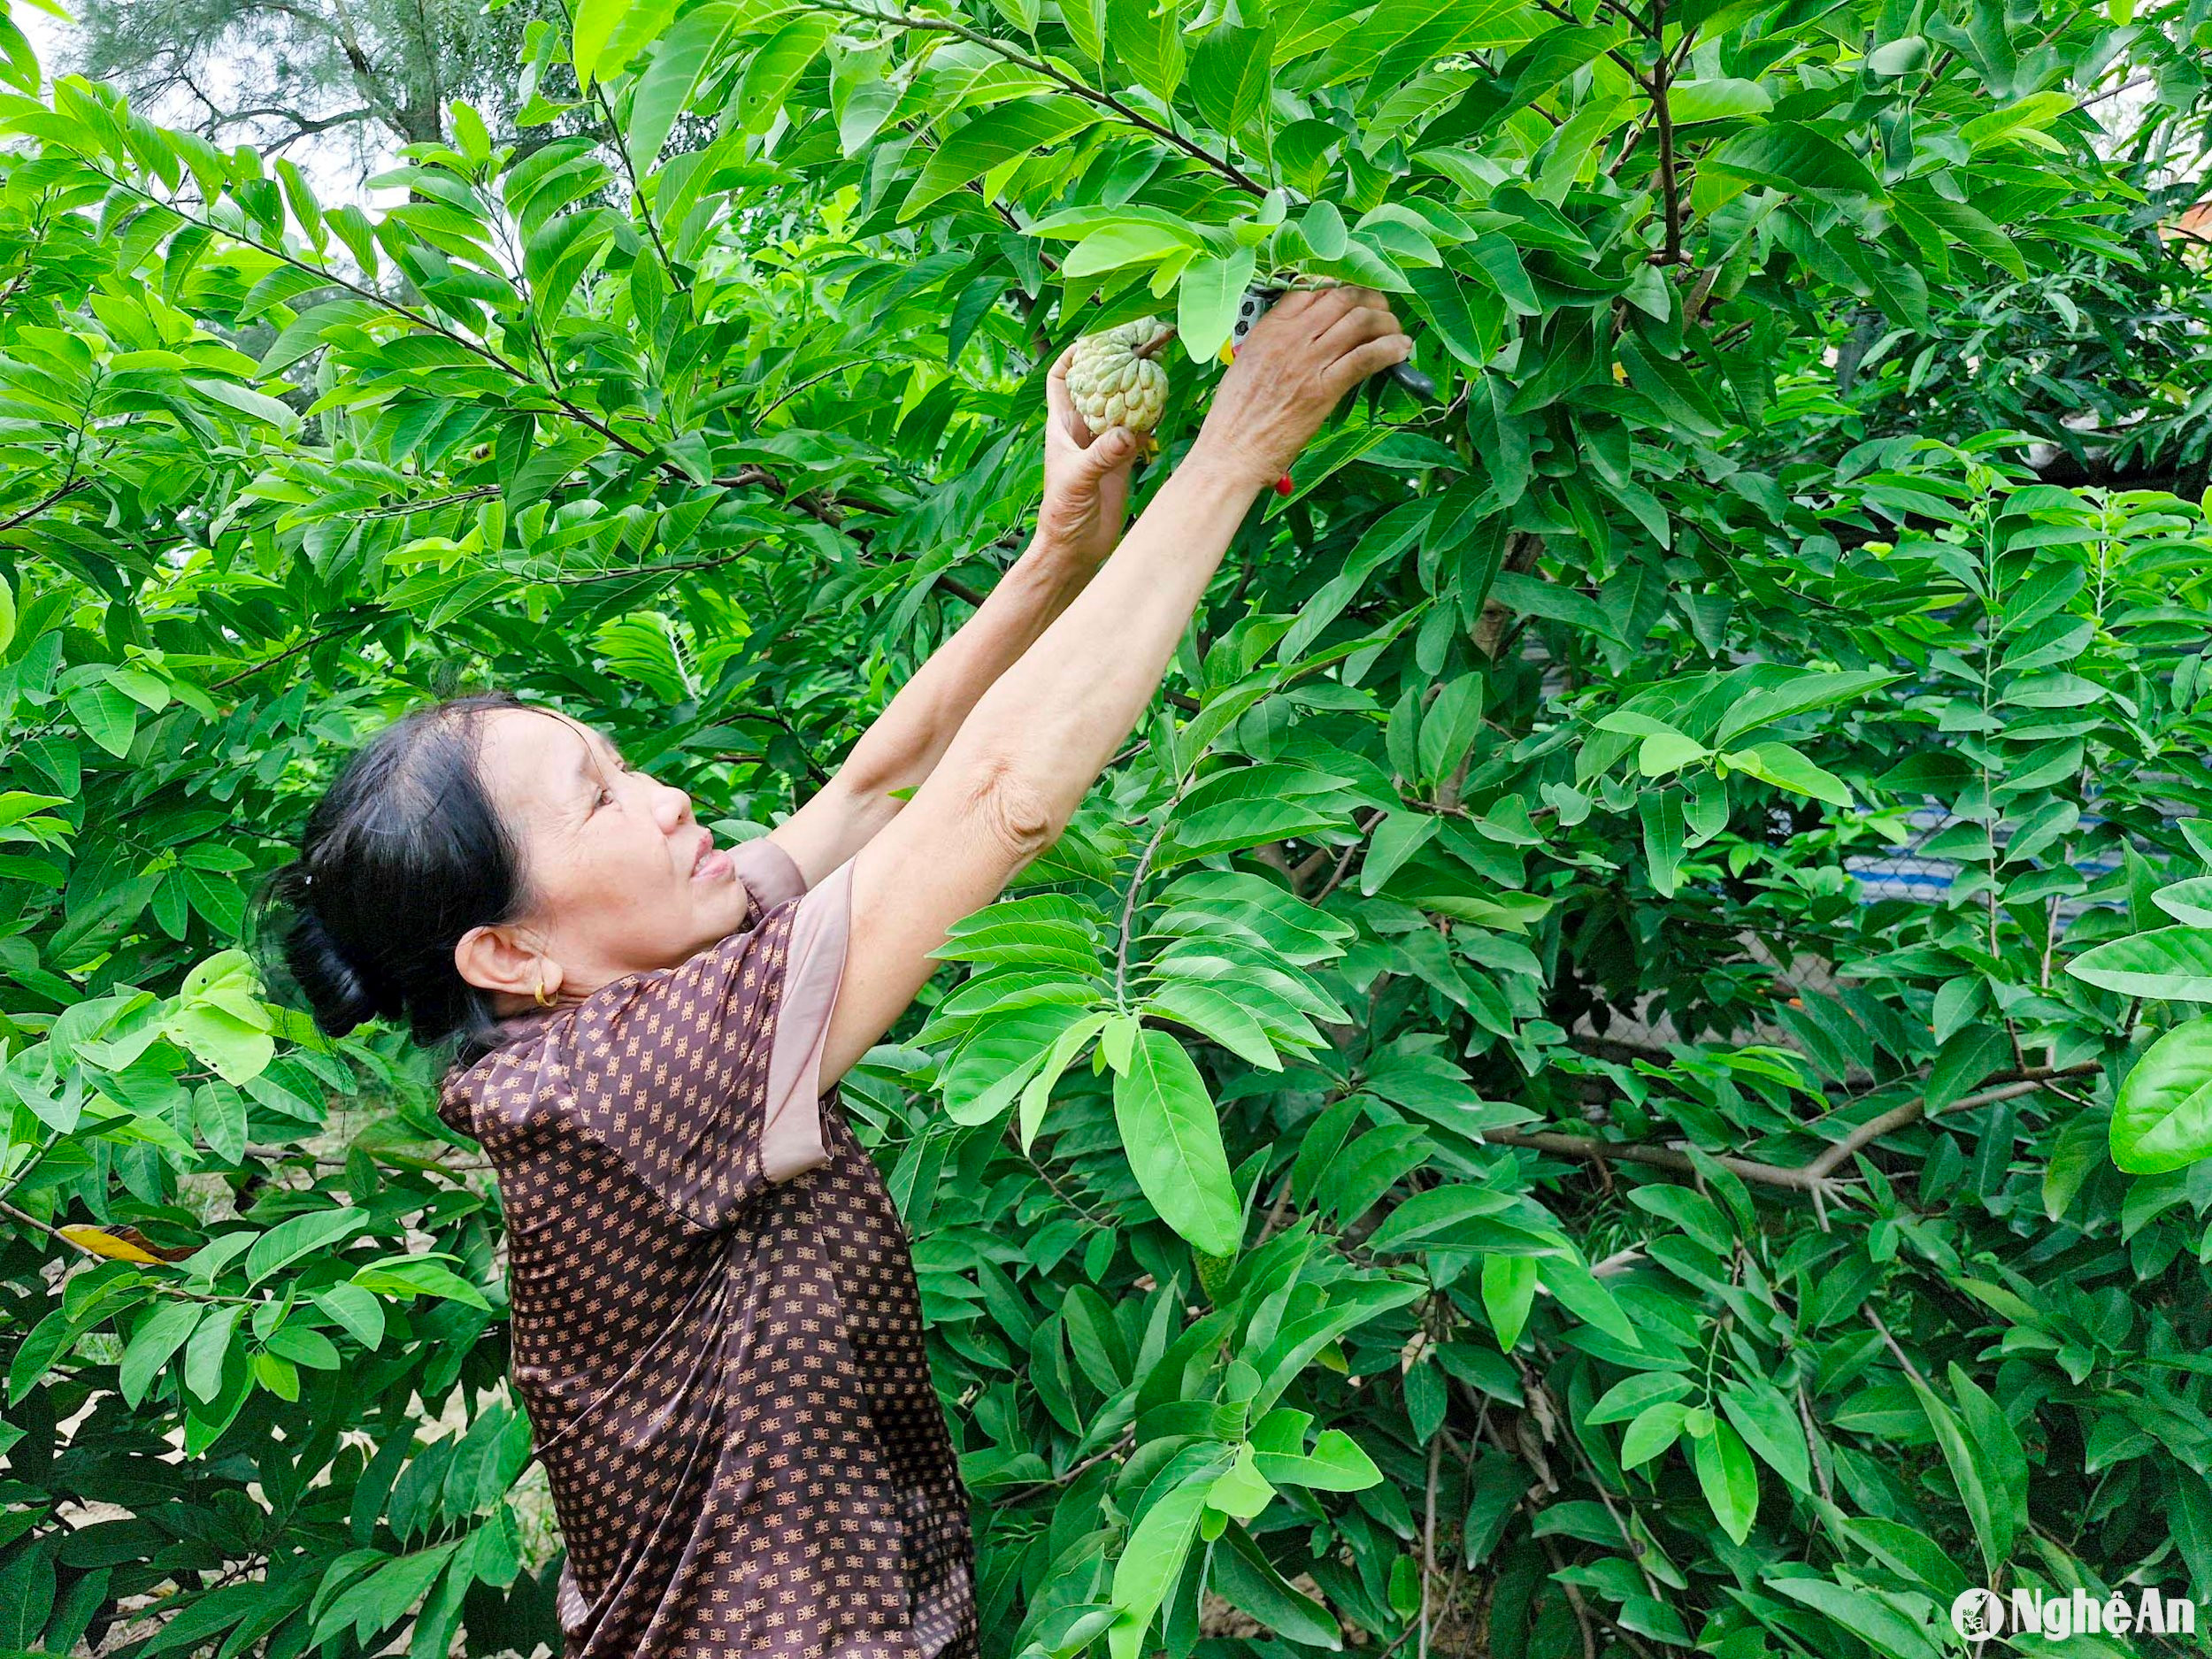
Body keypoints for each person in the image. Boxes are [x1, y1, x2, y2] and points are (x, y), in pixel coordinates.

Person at [261, 287, 1410, 1659]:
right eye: (600, 803)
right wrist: (1233, 452)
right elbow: (997, 802)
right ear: (508, 952)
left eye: (624, 764)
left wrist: (1061, 546)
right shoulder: (618, 1084)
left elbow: (880, 784)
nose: (671, 800)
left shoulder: (618, 988)